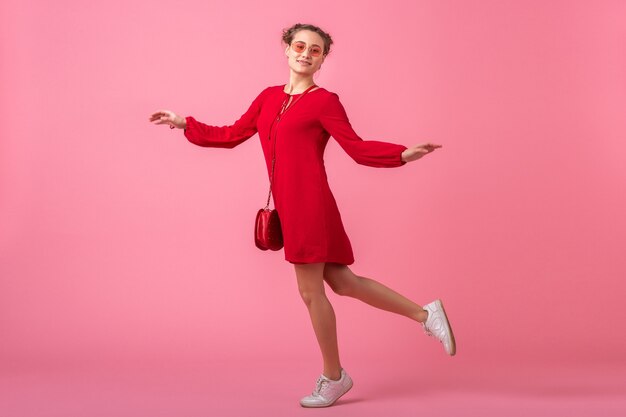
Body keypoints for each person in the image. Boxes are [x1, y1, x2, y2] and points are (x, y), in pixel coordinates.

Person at [149, 23, 456, 408]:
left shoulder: (325, 101)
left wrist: (401, 154)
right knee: (343, 283)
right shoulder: (267, 97)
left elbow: (356, 148)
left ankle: (334, 377)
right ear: (286, 49)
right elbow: (231, 134)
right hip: (289, 204)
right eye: (300, 46)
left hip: (310, 204)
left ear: (323, 59)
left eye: (315, 50)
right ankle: (425, 314)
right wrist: (184, 124)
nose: (306, 54)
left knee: (311, 292)